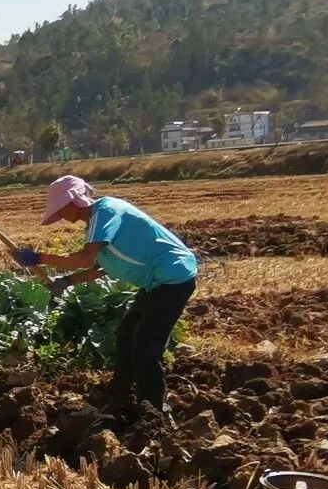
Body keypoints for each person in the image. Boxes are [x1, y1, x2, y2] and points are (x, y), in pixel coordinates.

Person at [14, 175, 197, 415]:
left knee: (145, 345)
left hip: (173, 278)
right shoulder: (96, 226)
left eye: (60, 210)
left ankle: (153, 410)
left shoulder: (106, 210)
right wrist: (67, 281)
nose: (60, 217)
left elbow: (85, 258)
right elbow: (97, 268)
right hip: (157, 283)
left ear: (74, 201)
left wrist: (38, 259)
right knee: (126, 335)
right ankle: (120, 394)